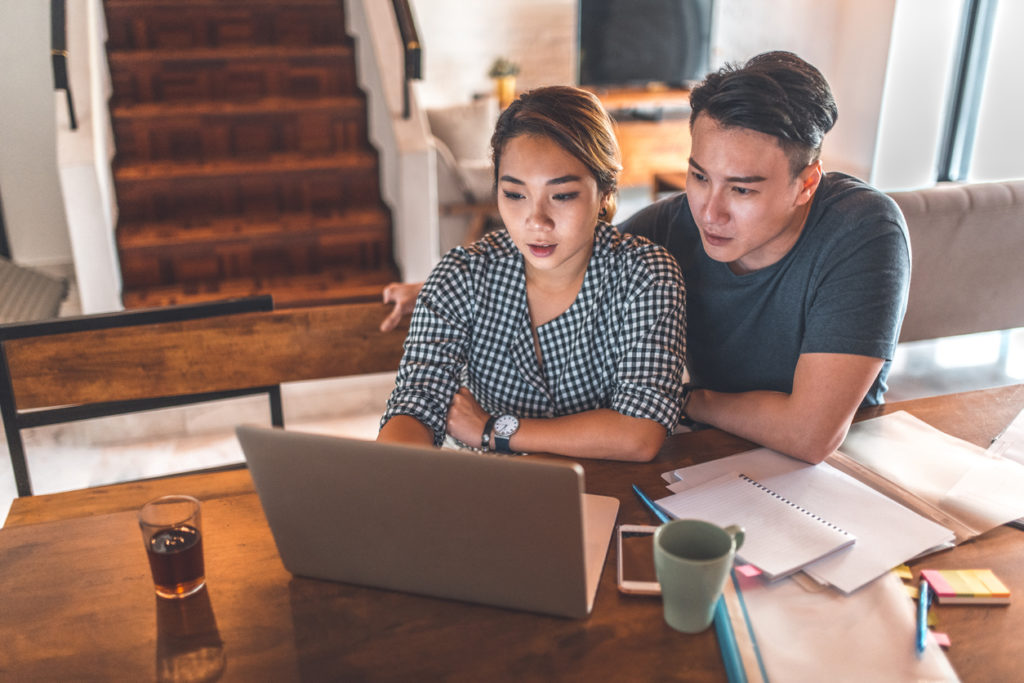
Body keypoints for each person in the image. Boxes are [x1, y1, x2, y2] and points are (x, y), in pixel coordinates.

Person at [379, 52, 910, 466]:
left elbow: (810, 435)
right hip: (707, 459)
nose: (710, 211)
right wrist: (436, 288)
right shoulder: (673, 225)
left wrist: (683, 401)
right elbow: (563, 254)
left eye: (742, 190)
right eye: (699, 175)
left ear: (805, 184)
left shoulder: (862, 229)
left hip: (838, 471)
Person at [377, 86, 687, 461]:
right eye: (514, 194)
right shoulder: (460, 277)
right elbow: (417, 403)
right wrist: (390, 477)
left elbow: (639, 433)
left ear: (605, 190)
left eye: (562, 195)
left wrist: (493, 430)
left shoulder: (646, 276)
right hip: (495, 494)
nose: (536, 221)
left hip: (611, 492)